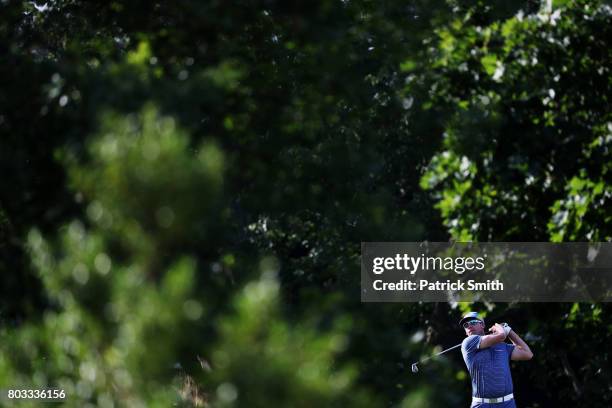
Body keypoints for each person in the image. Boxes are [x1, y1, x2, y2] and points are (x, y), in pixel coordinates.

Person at [459, 312, 533, 408]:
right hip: (482, 404)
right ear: (465, 331)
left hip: (507, 404)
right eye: (466, 325)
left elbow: (527, 354)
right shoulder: (468, 343)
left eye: (472, 322)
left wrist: (509, 331)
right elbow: (501, 336)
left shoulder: (503, 346)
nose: (469, 326)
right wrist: (500, 328)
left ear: (482, 325)